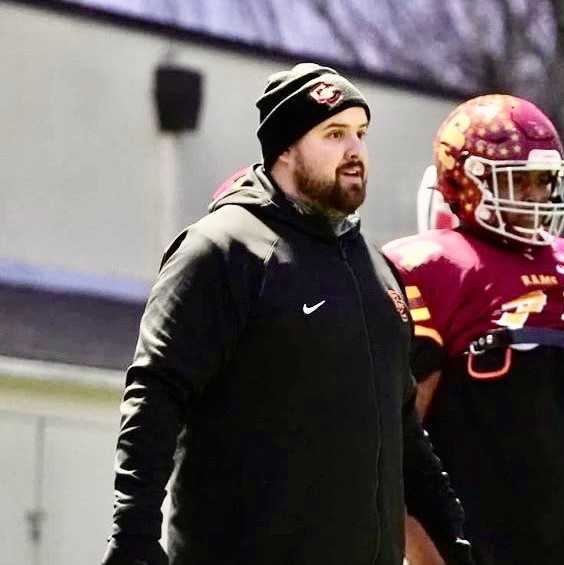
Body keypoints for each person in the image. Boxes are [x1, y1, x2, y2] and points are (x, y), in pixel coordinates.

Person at [101, 63, 474, 565]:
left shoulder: (377, 269)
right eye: (334, 134)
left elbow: (403, 430)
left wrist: (456, 538)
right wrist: (133, 537)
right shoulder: (222, 250)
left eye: (361, 134)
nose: (355, 151)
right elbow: (155, 395)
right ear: (284, 148)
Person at [382, 94, 564, 565]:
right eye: (519, 182)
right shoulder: (430, 268)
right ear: (464, 178)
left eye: (543, 182)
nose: (536, 197)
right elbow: (391, 440)